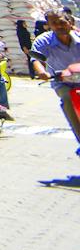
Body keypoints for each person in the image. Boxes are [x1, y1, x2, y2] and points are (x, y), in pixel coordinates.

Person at [30, 12, 80, 156]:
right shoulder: (43, 40)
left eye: (62, 22)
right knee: (68, 100)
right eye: (54, 23)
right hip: (63, 82)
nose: (59, 26)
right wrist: (41, 73)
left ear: (70, 22)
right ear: (49, 25)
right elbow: (36, 59)